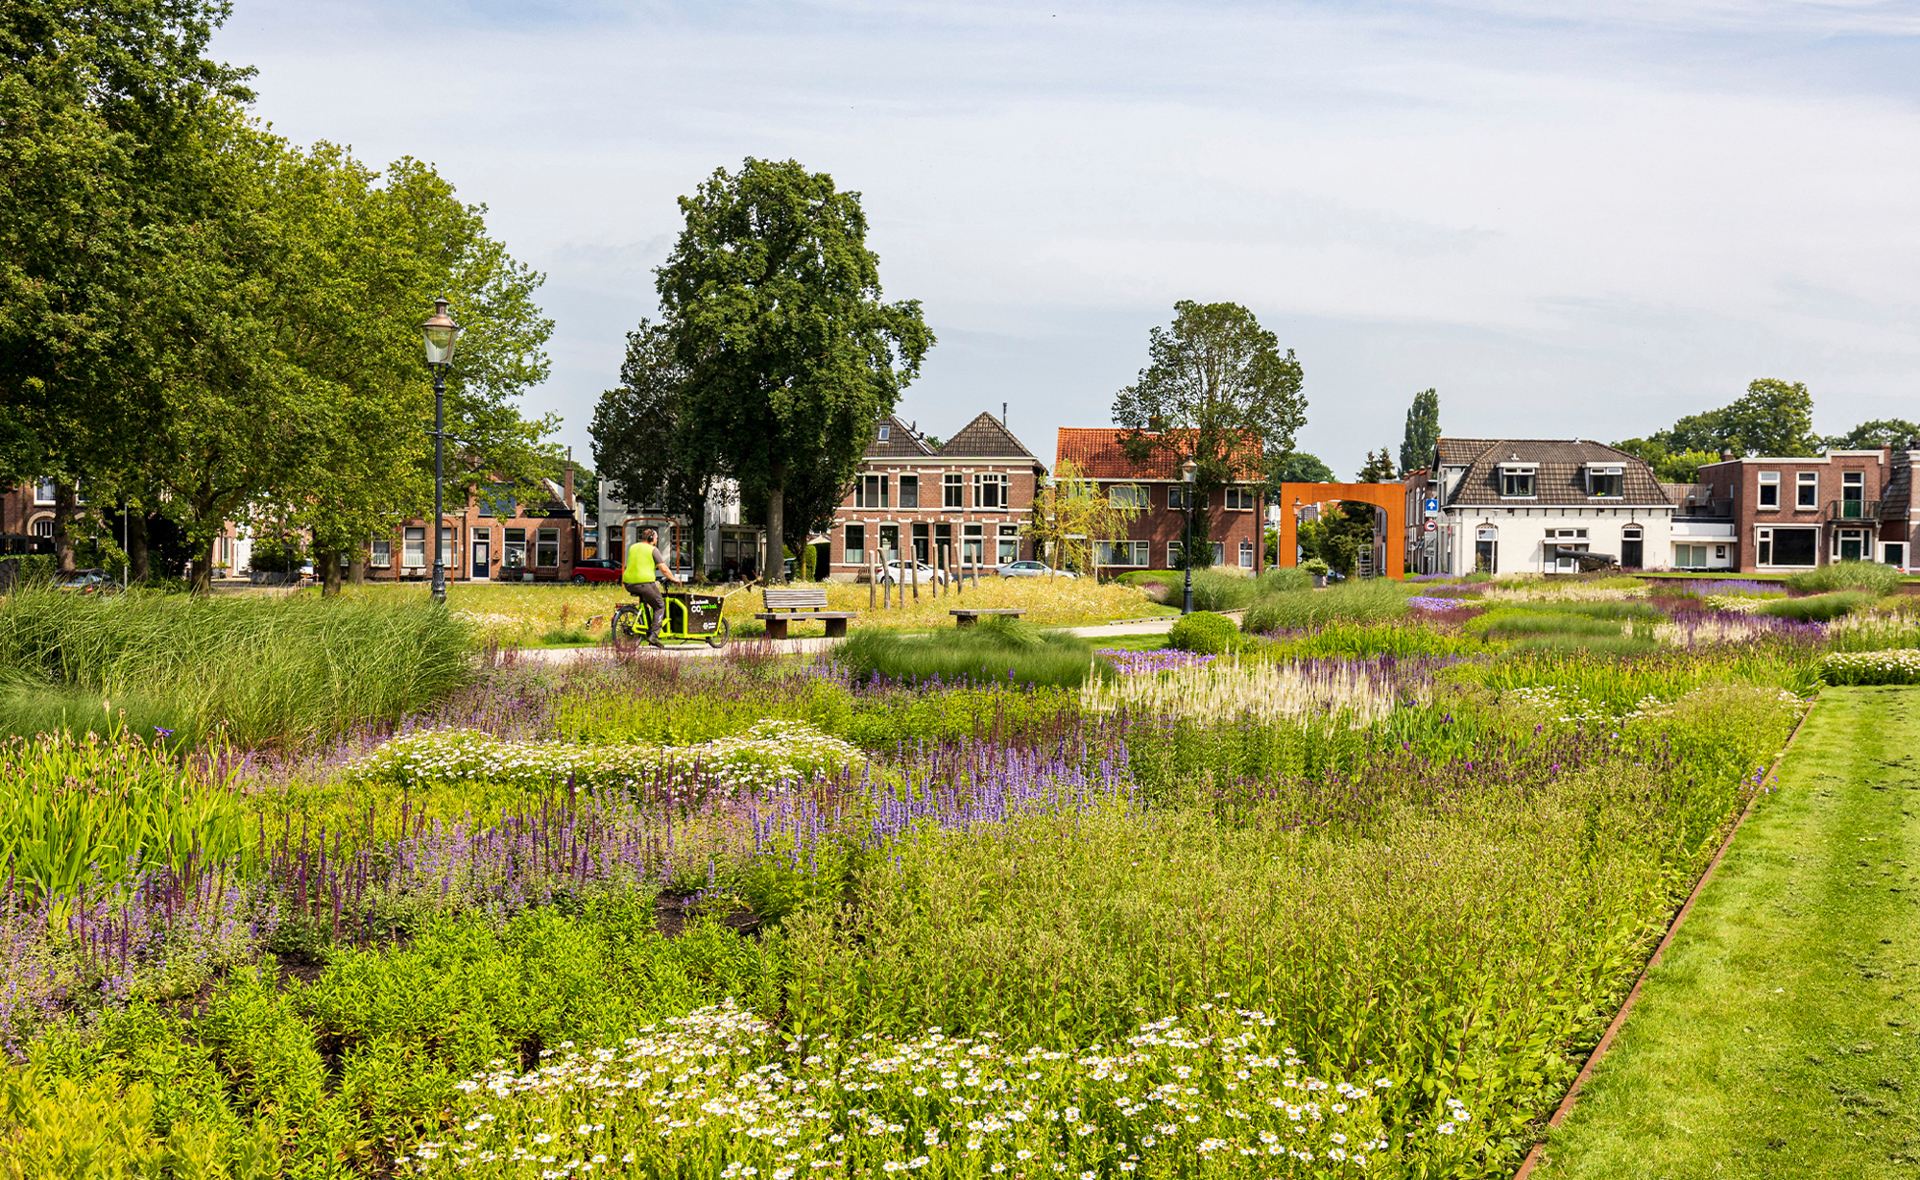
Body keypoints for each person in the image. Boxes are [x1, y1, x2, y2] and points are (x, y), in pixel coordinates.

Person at [621, 526, 678, 647]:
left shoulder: (633, 547)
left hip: (628, 583)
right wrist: (673, 579)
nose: (657, 540)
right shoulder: (653, 550)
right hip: (644, 583)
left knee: (646, 602)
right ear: (652, 538)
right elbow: (663, 568)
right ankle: (654, 635)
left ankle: (645, 626)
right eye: (656, 538)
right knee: (659, 606)